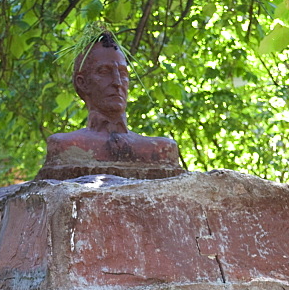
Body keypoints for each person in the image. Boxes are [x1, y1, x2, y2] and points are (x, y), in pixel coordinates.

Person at [36, 32, 184, 180]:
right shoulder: (65, 146)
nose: (117, 82)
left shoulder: (160, 149)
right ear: (82, 83)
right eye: (105, 71)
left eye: (123, 73)